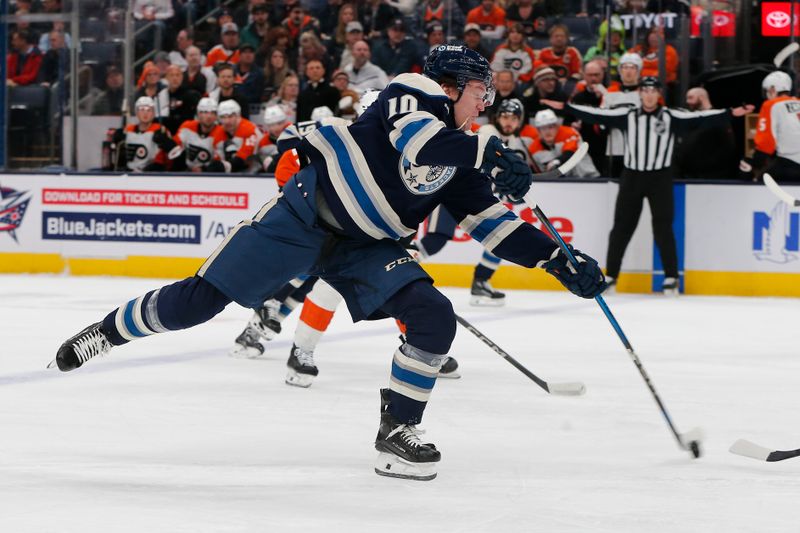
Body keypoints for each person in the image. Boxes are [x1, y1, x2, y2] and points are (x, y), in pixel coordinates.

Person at [53, 45, 606, 481]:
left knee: (432, 316)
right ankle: (106, 332)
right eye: (479, 93)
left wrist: (557, 259)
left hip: (367, 247)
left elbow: (493, 225)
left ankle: (398, 433)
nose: (483, 106)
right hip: (302, 216)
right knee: (198, 303)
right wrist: (489, 150)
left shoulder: (463, 152)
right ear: (451, 86)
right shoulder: (411, 93)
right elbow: (418, 144)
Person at [567, 77, 753, 294]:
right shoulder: (628, 116)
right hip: (632, 177)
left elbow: (700, 117)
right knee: (621, 228)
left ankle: (671, 277)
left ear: (658, 94)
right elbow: (597, 114)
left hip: (660, 178)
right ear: (640, 94)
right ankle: (611, 276)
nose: (648, 94)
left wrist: (730, 113)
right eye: (645, 90)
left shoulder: (670, 116)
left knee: (663, 228)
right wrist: (568, 107)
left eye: (653, 90)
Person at [674, 87, 737, 180]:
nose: (687, 101)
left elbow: (728, 147)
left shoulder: (718, 118)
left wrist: (704, 166)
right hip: (688, 176)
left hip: (711, 176)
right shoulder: (690, 118)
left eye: (691, 97)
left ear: (701, 97)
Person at [753, 71, 800, 182]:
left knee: (759, 181)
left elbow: (766, 142)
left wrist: (755, 163)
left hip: (789, 163)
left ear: (773, 89)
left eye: (767, 91)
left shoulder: (770, 105)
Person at [528, 109, 599, 177]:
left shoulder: (570, 132)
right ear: (538, 130)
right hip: (561, 183)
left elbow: (569, 153)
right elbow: (540, 172)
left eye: (550, 127)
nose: (547, 132)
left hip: (589, 178)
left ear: (557, 126)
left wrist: (556, 161)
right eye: (543, 128)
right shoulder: (534, 148)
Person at [111, 96, 171, 172]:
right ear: (137, 112)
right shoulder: (128, 130)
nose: (145, 113)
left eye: (149, 110)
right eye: (142, 109)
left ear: (153, 113)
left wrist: (166, 142)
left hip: (152, 174)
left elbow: (169, 157)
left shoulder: (160, 130)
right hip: (129, 174)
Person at [169, 97, 228, 172]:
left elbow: (219, 163)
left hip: (210, 175)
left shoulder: (221, 132)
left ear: (216, 116)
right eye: (205, 112)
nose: (209, 116)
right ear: (198, 114)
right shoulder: (187, 127)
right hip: (187, 171)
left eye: (213, 112)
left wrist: (204, 169)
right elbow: (175, 148)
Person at [213, 99, 262, 173]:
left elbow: (244, 159)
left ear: (238, 115)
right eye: (223, 117)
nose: (227, 121)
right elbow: (218, 159)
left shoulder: (249, 129)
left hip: (255, 174)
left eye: (230, 116)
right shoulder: (218, 132)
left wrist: (225, 166)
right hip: (231, 173)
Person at [157, 64, 201, 135]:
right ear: (166, 78)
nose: (175, 78)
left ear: (182, 77)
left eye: (177, 75)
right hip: (167, 132)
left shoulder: (191, 95)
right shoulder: (161, 95)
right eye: (172, 75)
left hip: (186, 133)